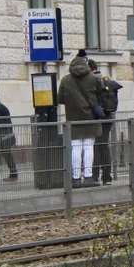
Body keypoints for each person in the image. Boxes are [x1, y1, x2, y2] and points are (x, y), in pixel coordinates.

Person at [57, 53, 105, 188]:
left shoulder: (66, 80)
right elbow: (101, 95)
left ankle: (76, 179)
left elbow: (60, 99)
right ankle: (89, 177)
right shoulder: (94, 78)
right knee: (89, 146)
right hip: (91, 119)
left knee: (76, 148)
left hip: (73, 119)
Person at [88, 59, 122, 185]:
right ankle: (107, 176)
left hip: (97, 118)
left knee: (96, 146)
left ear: (89, 68)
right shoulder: (106, 78)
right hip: (108, 116)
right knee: (104, 145)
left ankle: (95, 176)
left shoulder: (92, 80)